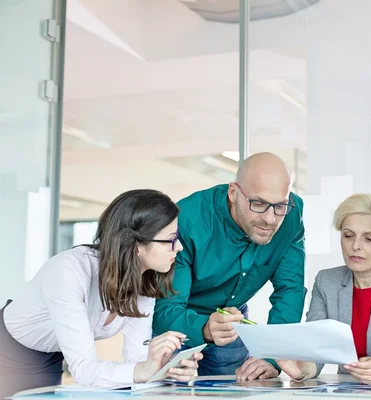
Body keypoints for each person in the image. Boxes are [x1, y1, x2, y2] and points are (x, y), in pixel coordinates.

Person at [0, 189, 202, 398]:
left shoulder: (142, 281)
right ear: (136, 245)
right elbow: (85, 370)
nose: (178, 247)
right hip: (8, 349)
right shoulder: (68, 271)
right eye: (170, 239)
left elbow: (137, 360)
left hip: (52, 353)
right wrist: (144, 370)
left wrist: (165, 369)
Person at [152, 152, 306, 381]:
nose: (271, 219)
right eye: (259, 204)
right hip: (176, 323)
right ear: (233, 192)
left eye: (280, 206)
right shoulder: (187, 220)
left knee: (232, 392)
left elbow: (289, 290)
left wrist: (274, 356)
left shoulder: (292, 216)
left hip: (232, 323)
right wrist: (204, 328)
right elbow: (165, 307)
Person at [278, 194, 371, 383]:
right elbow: (317, 348)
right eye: (348, 235)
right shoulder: (327, 281)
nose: (355, 246)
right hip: (347, 389)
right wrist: (302, 370)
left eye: (369, 238)